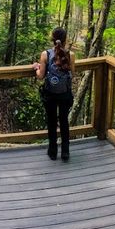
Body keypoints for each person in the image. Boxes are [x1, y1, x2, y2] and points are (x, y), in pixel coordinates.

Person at [33, 27, 75, 161]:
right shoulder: (71, 55)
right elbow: (72, 74)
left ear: (52, 38)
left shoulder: (45, 54)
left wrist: (36, 68)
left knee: (51, 122)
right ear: (65, 39)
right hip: (64, 93)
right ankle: (65, 152)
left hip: (50, 93)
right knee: (64, 121)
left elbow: (40, 76)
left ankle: (52, 151)